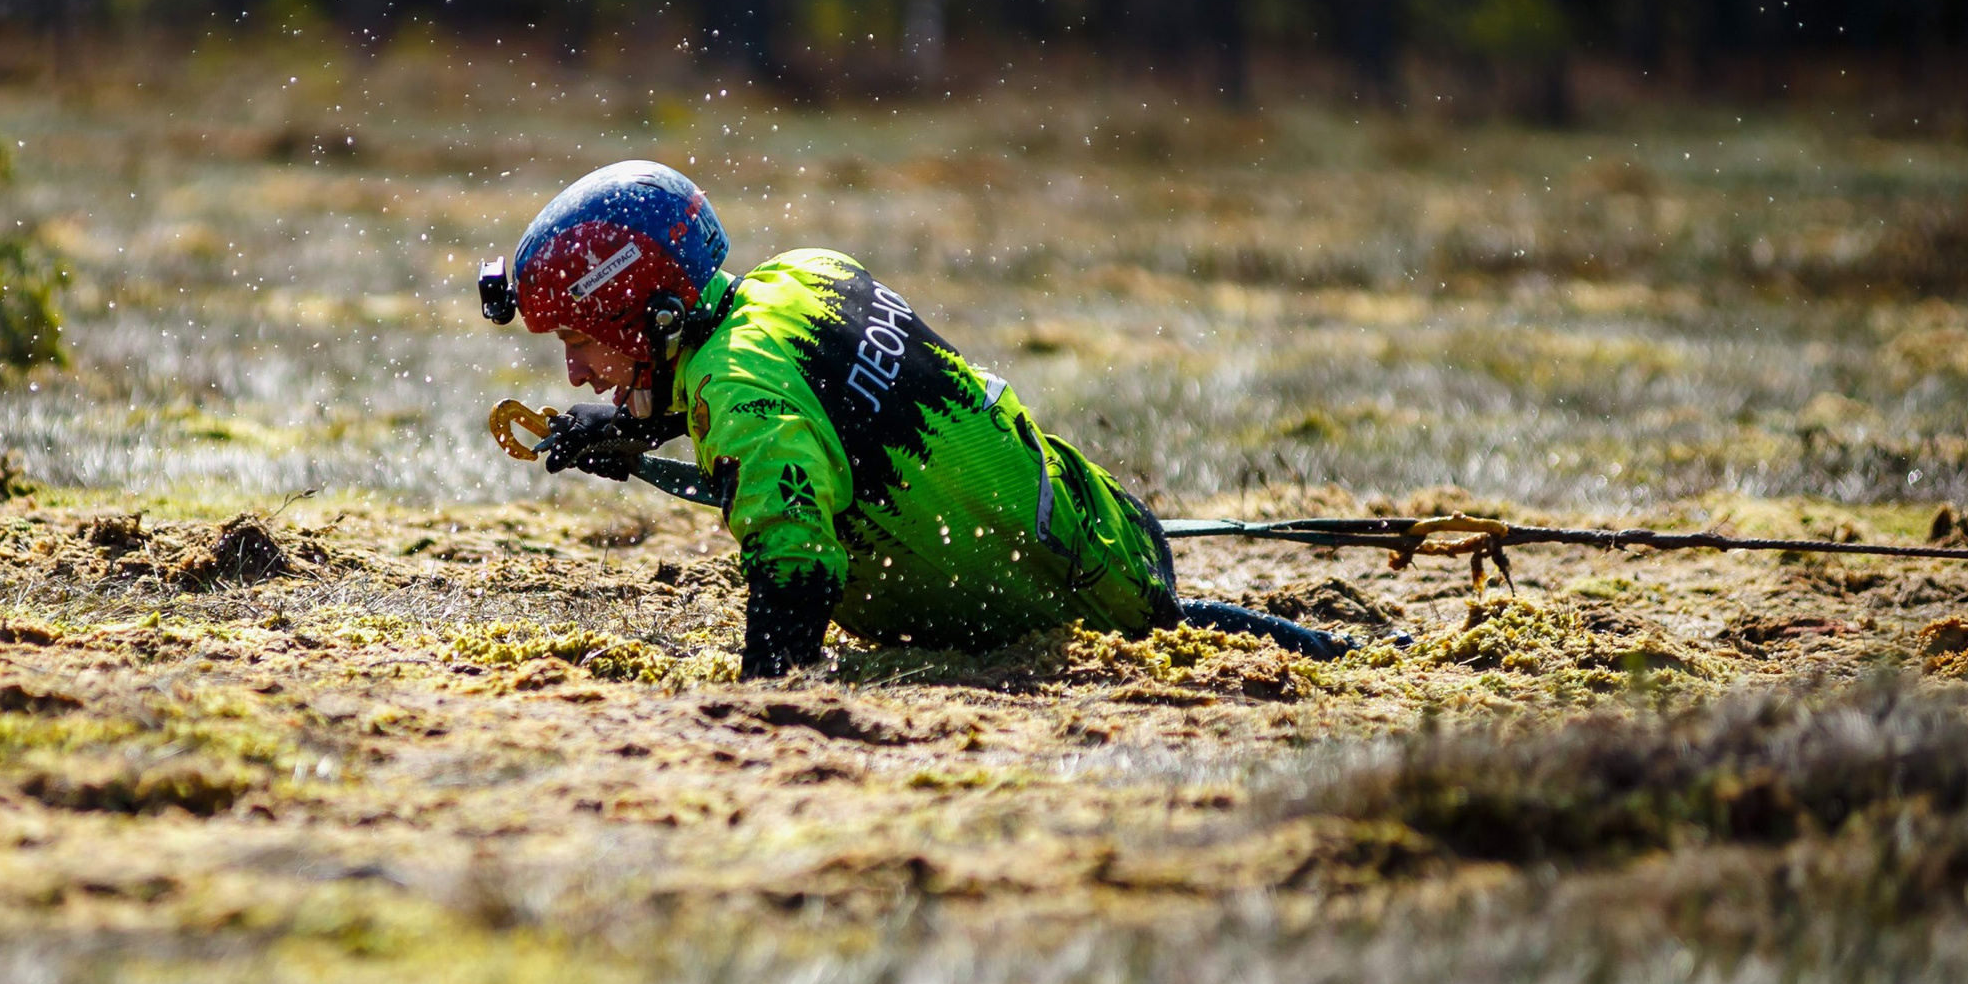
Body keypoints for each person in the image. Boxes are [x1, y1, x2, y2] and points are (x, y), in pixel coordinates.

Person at [478, 161, 1354, 678]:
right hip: (1108, 528)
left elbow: (795, 562)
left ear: (647, 313)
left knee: (1173, 629)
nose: (573, 368)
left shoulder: (737, 394)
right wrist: (632, 429)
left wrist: (757, 707)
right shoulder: (800, 280)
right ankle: (1344, 652)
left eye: (581, 338)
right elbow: (813, 402)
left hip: (1072, 620)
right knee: (1188, 619)